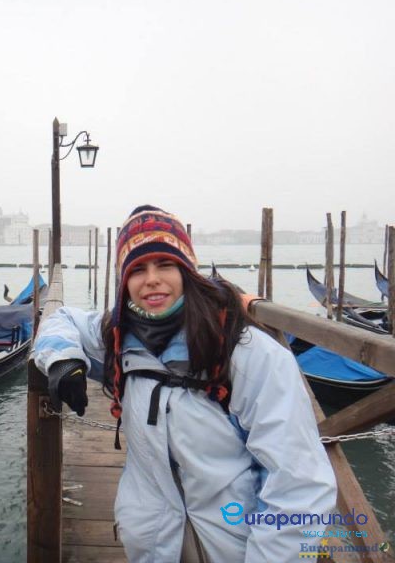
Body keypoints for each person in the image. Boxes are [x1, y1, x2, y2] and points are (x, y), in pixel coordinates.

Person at [33, 205, 337, 562]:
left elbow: (301, 484)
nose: (151, 280)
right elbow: (60, 319)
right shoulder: (120, 335)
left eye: (165, 265)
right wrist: (63, 359)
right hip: (152, 538)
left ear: (187, 272)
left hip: (236, 542)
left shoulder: (249, 354)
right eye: (137, 269)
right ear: (124, 280)